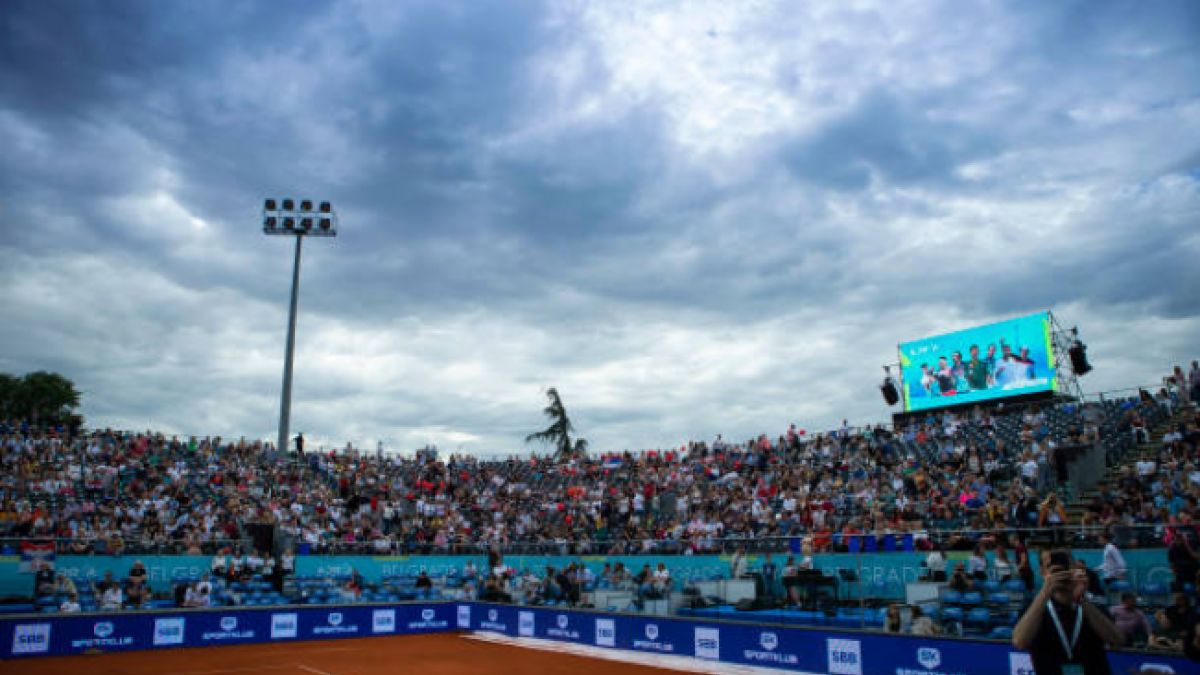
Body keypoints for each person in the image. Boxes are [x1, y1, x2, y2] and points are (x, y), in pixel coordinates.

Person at [1012, 549, 1123, 675]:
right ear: (1042, 573)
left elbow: (1117, 641)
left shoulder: (1094, 602)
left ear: (1075, 569)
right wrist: (1045, 592)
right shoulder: (1033, 605)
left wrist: (1081, 599)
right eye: (1051, 568)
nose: (1060, 573)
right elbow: (1020, 642)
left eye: (1065, 566)